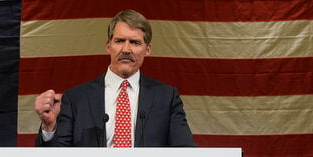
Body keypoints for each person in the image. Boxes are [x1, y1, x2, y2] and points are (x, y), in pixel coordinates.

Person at [34, 9, 195, 147]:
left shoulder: (166, 98)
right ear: (108, 46)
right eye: (119, 41)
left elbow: (185, 152)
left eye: (135, 42)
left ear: (148, 49)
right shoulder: (76, 98)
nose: (126, 49)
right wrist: (49, 127)